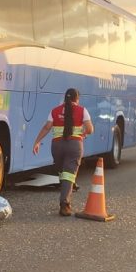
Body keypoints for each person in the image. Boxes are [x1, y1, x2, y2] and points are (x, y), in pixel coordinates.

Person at [32, 88, 94, 216]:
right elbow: (90, 129)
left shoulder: (55, 111)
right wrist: (84, 133)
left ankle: (69, 185)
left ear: (65, 97)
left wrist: (37, 142)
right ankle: (64, 205)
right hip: (74, 146)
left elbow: (47, 127)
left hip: (57, 146)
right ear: (77, 99)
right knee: (68, 174)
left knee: (64, 172)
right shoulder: (82, 110)